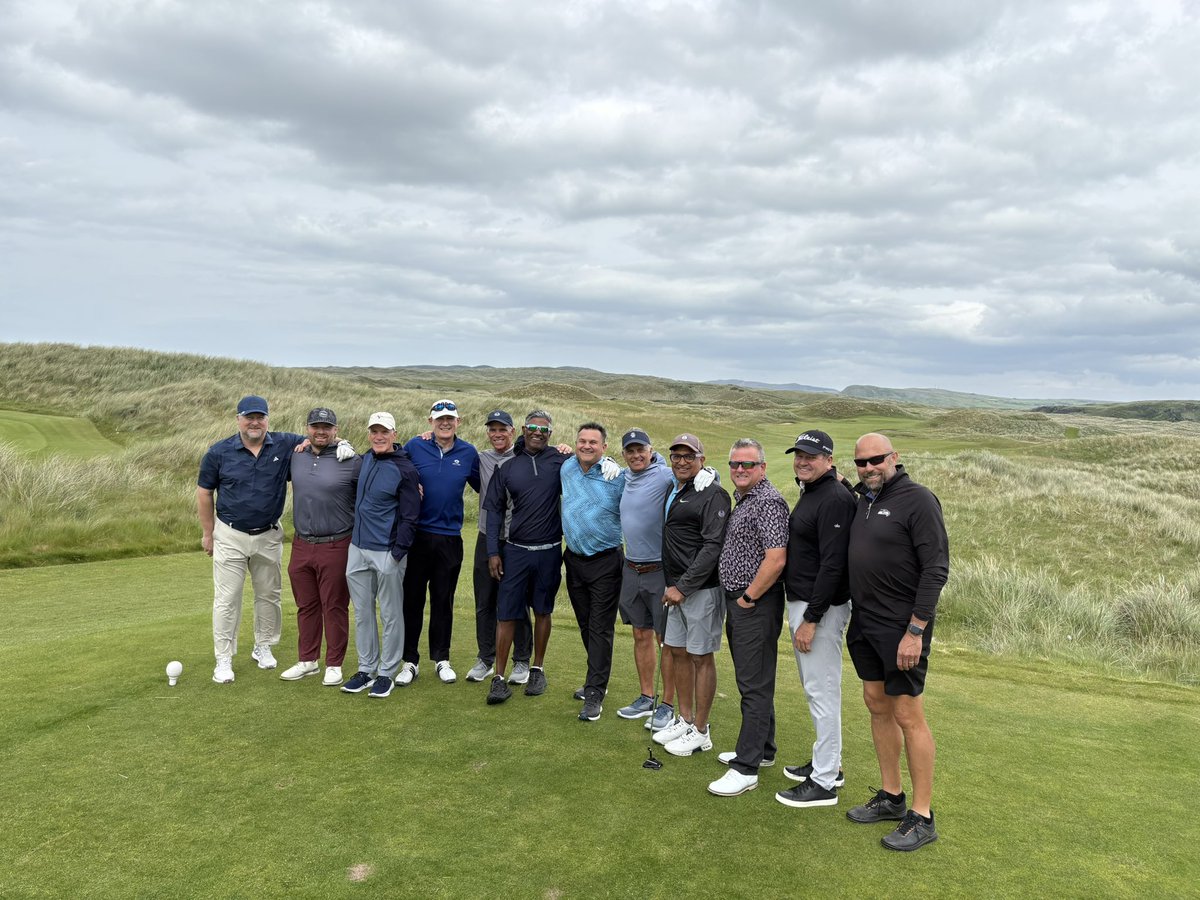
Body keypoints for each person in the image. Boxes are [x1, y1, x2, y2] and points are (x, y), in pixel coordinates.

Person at [196, 395, 352, 684]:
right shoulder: (219, 452)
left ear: (268, 419)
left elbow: (320, 436)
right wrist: (208, 533)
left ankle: (263, 646)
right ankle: (223, 659)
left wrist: (342, 443)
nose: (254, 422)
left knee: (269, 595)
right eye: (248, 417)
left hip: (268, 534)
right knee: (227, 599)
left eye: (260, 417)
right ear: (238, 419)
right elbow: (204, 492)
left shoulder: (284, 443)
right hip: (229, 534)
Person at [844, 432, 949, 851]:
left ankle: (922, 816)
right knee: (876, 703)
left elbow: (936, 568)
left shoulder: (918, 500)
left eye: (876, 460)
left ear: (894, 458)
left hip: (902, 629)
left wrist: (916, 631)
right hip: (865, 624)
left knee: (908, 714)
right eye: (861, 462)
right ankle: (891, 796)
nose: (869, 468)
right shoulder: (863, 501)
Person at [773, 429, 856, 808]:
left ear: (829, 459)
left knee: (821, 691)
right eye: (798, 455)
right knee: (817, 688)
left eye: (811, 456)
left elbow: (834, 565)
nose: (802, 461)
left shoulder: (834, 498)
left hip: (818, 607)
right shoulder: (819, 490)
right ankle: (829, 764)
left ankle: (824, 783)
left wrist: (812, 618)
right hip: (807, 603)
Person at [708, 438, 789, 797]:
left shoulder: (768, 503)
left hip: (754, 605)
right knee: (755, 679)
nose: (740, 470)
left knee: (753, 685)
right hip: (744, 602)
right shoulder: (746, 499)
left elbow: (776, 559)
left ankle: (746, 767)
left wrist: (747, 598)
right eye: (735, 465)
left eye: (748, 465)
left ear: (762, 468)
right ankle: (764, 750)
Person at [481, 410, 569, 704]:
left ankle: (537, 669)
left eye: (543, 429)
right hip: (515, 551)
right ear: (523, 429)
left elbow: (592, 464)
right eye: (532, 427)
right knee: (507, 613)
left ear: (550, 433)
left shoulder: (560, 461)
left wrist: (606, 461)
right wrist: (493, 551)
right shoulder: (507, 467)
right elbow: (493, 511)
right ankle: (498, 678)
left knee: (543, 611)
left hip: (548, 551)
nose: (537, 432)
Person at [654, 434, 731, 757]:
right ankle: (685, 719)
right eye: (676, 456)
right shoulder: (678, 487)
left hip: (700, 590)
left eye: (689, 456)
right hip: (676, 589)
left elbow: (713, 547)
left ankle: (701, 729)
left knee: (701, 656)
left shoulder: (713, 493)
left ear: (702, 458)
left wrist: (683, 586)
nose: (682, 461)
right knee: (676, 651)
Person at [399, 399, 481, 687]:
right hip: (417, 536)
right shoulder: (414, 446)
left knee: (443, 600)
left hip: (449, 538)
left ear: (458, 421)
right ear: (430, 422)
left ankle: (441, 658)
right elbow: (390, 462)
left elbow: (487, 485)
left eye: (450, 419)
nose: (445, 423)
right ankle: (409, 661)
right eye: (439, 419)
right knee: (412, 599)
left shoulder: (468, 452)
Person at [340, 413, 421, 699]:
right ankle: (366, 669)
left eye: (384, 431)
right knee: (362, 613)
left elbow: (411, 516)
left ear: (394, 434)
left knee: (390, 614)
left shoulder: (406, 469)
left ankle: (386, 672)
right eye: (374, 431)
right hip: (358, 549)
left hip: (387, 552)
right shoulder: (365, 460)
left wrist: (398, 553)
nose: (378, 436)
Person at [280, 407, 362, 688]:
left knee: (335, 606)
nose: (321, 431)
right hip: (301, 543)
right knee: (306, 605)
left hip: (337, 543)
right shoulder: (297, 455)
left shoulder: (351, 460)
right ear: (307, 428)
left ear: (336, 430)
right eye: (316, 426)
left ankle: (334, 663)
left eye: (327, 427)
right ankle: (308, 660)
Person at [465, 410, 533, 686]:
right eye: (492, 430)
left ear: (513, 432)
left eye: (502, 429)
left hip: (516, 539)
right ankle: (485, 657)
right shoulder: (480, 459)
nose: (497, 434)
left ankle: (521, 660)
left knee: (516, 600)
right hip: (486, 536)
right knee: (485, 600)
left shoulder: (523, 459)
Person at [561, 422, 624, 721]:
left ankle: (595, 691)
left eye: (593, 443)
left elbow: (655, 469)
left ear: (604, 447)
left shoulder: (617, 475)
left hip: (606, 561)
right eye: (582, 441)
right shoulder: (567, 467)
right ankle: (597, 680)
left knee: (600, 627)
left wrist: (710, 471)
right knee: (586, 625)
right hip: (574, 560)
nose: (587, 446)